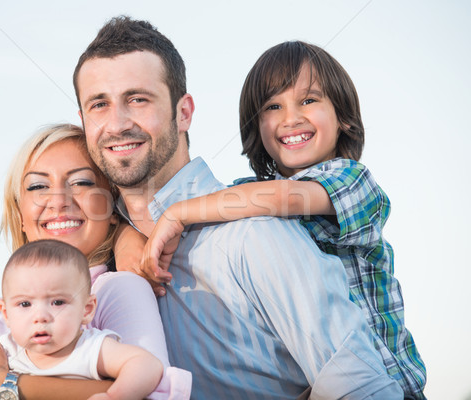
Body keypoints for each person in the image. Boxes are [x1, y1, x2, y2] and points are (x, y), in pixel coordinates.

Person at [72, 16, 404, 399]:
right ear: (83, 121)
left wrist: (174, 214)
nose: (117, 123)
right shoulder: (98, 260)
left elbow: (362, 390)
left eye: (137, 99)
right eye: (99, 104)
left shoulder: (256, 234)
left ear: (184, 113)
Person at [0, 124, 191, 400]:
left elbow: (153, 391)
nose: (58, 200)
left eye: (82, 182)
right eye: (38, 186)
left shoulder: (118, 290)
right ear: (20, 214)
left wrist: (2, 385)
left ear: (112, 208)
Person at [0, 239, 163, 400]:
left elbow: (147, 364)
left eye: (58, 302)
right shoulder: (10, 348)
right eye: (25, 304)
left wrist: (115, 395)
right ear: (6, 314)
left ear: (86, 310)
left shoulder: (91, 348)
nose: (41, 317)